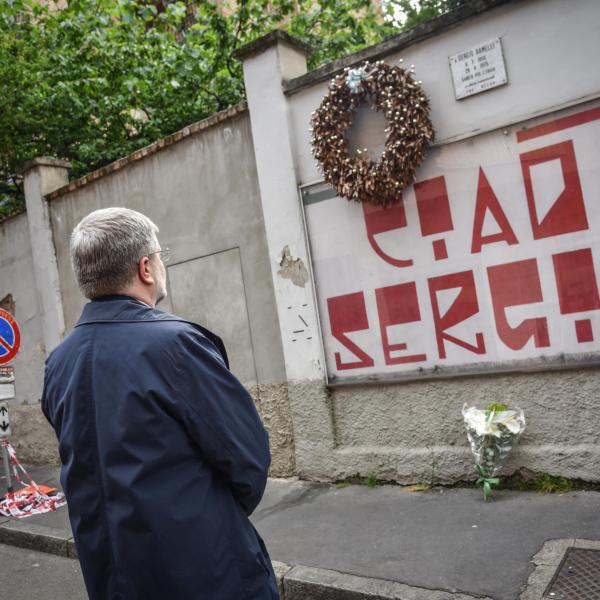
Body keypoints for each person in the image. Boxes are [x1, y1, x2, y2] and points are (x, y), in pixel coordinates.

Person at [42, 207, 278, 600]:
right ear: (146, 268)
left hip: (112, 575)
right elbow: (248, 458)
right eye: (160, 254)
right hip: (205, 574)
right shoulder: (177, 345)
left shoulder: (59, 361)